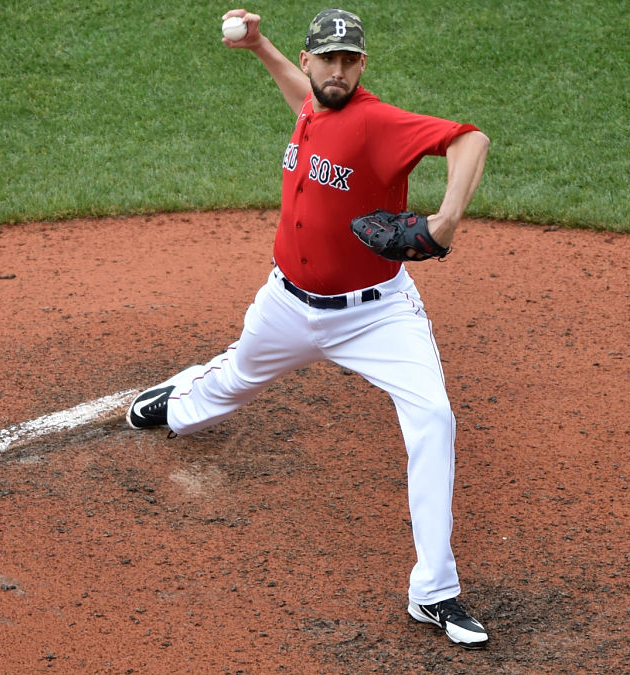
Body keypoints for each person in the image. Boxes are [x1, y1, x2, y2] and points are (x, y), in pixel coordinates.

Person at [127, 8, 491, 649]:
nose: (338, 71)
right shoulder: (315, 107)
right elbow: (307, 101)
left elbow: (471, 141)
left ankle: (433, 591)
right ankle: (180, 406)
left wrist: (444, 222)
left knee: (433, 418)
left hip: (376, 315)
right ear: (312, 58)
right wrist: (261, 47)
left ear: (362, 65)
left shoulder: (377, 121)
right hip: (286, 307)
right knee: (231, 383)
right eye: (327, 59)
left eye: (350, 60)